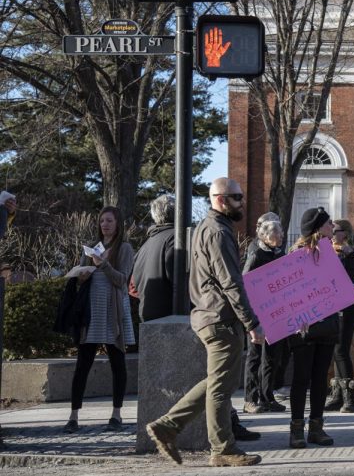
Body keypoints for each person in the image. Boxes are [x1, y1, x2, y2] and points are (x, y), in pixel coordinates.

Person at [146, 177, 265, 468]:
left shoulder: (206, 228)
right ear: (220, 200)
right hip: (220, 319)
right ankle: (222, 448)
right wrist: (251, 322)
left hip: (209, 316)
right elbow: (231, 283)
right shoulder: (218, 232)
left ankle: (168, 426)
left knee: (217, 382)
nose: (242, 201)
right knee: (221, 389)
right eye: (236, 197)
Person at [63, 206, 135, 434]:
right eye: (102, 220)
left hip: (113, 312)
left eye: (110, 220)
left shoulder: (124, 248)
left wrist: (103, 264)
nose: (105, 224)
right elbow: (83, 279)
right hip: (91, 312)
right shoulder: (92, 247)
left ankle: (116, 414)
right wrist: (81, 276)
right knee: (82, 364)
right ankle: (73, 416)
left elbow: (122, 280)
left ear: (117, 223)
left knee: (117, 364)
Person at [286, 207, 341, 448]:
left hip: (327, 325)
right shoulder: (296, 254)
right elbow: (288, 293)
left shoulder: (332, 253)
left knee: (321, 379)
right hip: (304, 327)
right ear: (318, 228)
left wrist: (349, 258)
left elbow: (344, 285)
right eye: (329, 224)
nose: (334, 228)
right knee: (301, 378)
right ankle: (296, 429)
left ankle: (317, 427)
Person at [242, 216, 286, 414]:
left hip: (275, 311)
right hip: (257, 314)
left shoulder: (279, 253)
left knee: (271, 357)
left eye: (281, 233)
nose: (282, 237)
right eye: (278, 234)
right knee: (254, 357)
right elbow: (244, 283)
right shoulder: (256, 254)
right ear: (267, 236)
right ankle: (250, 400)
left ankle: (267, 397)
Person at [323, 218, 354, 414]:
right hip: (333, 306)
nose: (332, 234)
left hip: (349, 305)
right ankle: (338, 395)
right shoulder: (330, 251)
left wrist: (348, 256)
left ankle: (350, 398)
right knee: (336, 350)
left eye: (335, 230)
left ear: (345, 234)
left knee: (342, 349)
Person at [130, 194, 176, 323]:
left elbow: (132, 287)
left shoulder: (145, 245)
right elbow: (179, 278)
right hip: (172, 315)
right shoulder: (176, 239)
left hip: (146, 314)